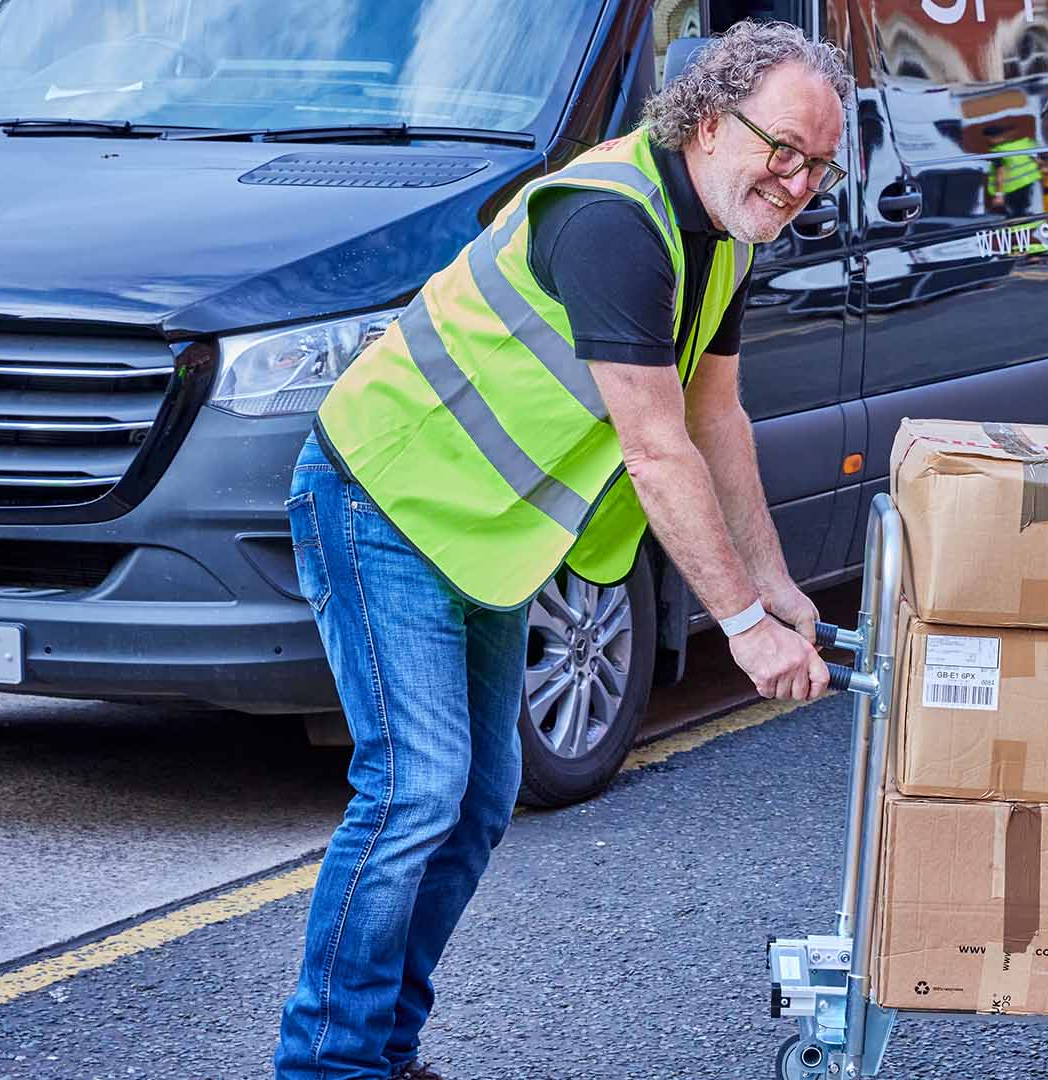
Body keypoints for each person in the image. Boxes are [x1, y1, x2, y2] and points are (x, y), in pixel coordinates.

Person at [272, 21, 848, 1080]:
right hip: (382, 494)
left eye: (819, 163)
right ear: (711, 123)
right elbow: (655, 448)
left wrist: (775, 582)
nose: (801, 181)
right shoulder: (613, 223)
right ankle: (328, 1067)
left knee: (481, 796)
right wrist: (743, 628)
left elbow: (718, 416)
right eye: (785, 150)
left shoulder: (726, 231)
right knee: (415, 790)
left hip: (480, 528)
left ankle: (384, 1054)